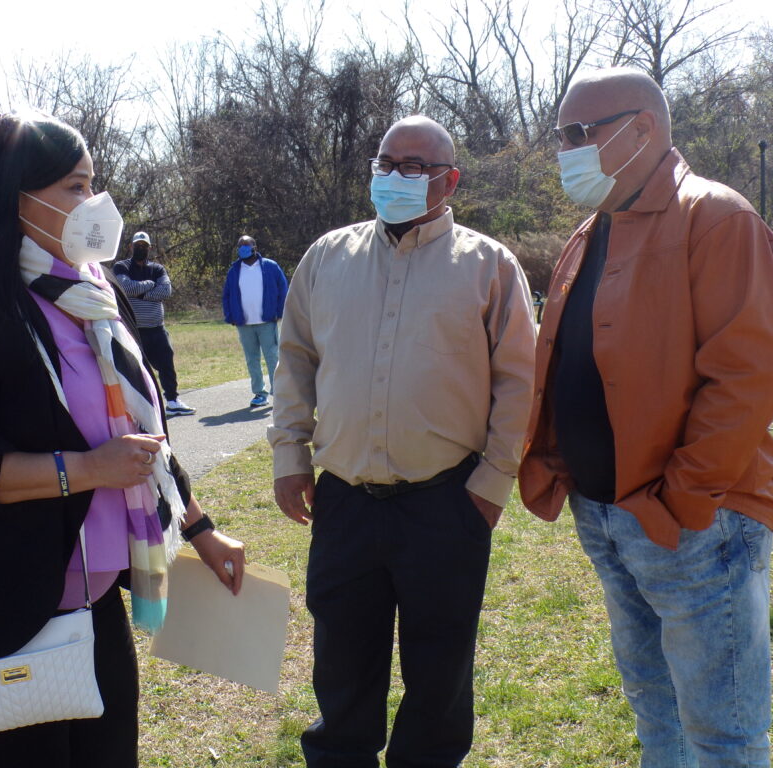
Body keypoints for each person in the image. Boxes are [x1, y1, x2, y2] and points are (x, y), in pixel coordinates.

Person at [0, 112, 246, 768]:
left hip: (90, 594)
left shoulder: (91, 290)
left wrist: (199, 528)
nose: (94, 204)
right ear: (14, 196)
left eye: (93, 185)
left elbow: (138, 435)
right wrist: (84, 470)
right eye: (75, 187)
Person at [518, 68, 773, 767]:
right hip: (609, 517)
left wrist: (680, 503)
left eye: (583, 134)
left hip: (696, 526)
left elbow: (746, 378)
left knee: (722, 731)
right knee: (655, 710)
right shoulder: (588, 232)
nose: (567, 151)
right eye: (561, 137)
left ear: (644, 130)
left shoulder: (718, 219)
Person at [271, 115, 536, 768]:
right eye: (385, 163)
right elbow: (296, 361)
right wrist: (288, 457)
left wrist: (490, 488)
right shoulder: (326, 259)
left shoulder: (489, 267)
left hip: (446, 503)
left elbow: (519, 382)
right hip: (345, 505)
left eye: (413, 167)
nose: (394, 176)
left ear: (450, 180)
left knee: (440, 676)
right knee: (341, 668)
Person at [112, 231, 194, 416]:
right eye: (137, 245)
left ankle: (173, 401)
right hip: (133, 330)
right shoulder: (121, 266)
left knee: (166, 365)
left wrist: (139, 292)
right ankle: (141, 408)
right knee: (136, 369)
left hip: (157, 329)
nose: (140, 248)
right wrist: (150, 285)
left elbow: (165, 292)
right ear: (130, 247)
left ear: (150, 248)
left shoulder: (158, 269)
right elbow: (125, 287)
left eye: (144, 245)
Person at [221, 235, 288, 407]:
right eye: (239, 245)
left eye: (246, 245)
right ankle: (260, 393)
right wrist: (231, 316)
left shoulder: (270, 266)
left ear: (254, 247)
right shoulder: (234, 270)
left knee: (273, 357)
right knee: (252, 360)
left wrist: (280, 312)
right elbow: (227, 295)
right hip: (244, 323)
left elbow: (283, 288)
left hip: (267, 321)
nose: (243, 248)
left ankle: (279, 392)